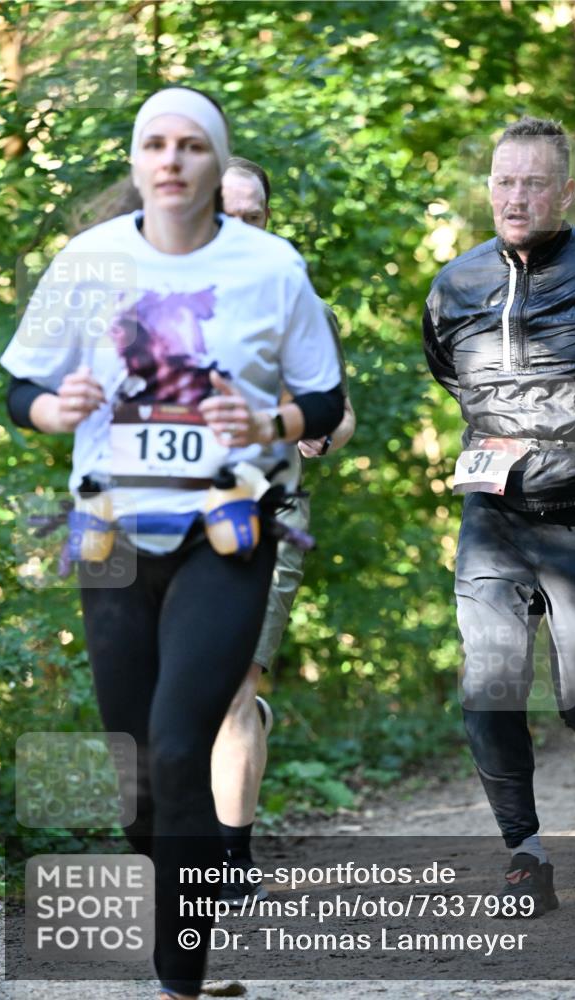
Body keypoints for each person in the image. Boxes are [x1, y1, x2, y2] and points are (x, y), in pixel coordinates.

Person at [2, 86, 344, 1000]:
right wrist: (51, 407)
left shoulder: (271, 267)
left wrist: (271, 418)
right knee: (137, 769)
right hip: (110, 531)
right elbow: (17, 390)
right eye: (154, 143)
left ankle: (179, 982)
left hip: (226, 532)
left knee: (180, 738)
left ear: (211, 160)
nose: (171, 160)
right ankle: (177, 886)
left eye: (191, 145)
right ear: (136, 160)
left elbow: (322, 403)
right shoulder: (87, 261)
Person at [423, 116, 575, 914]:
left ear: (564, 191)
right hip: (494, 513)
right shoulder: (455, 283)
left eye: (531, 183)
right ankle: (523, 855)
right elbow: (451, 372)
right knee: (487, 682)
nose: (514, 197)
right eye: (502, 181)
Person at [211, 157, 356, 898]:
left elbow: (339, 413)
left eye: (255, 214)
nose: (241, 226)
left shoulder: (297, 304)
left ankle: (229, 867)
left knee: (233, 683)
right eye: (226, 211)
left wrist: (318, 436)